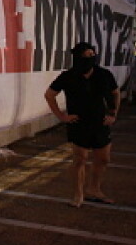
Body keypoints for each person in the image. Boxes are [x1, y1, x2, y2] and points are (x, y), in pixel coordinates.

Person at [44, 42, 120, 208]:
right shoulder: (68, 76)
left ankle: (94, 189)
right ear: (77, 58)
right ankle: (78, 194)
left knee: (103, 158)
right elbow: (49, 95)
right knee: (80, 159)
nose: (89, 59)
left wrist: (113, 114)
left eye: (92, 55)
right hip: (78, 122)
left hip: (100, 122)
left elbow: (115, 93)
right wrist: (62, 116)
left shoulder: (104, 74)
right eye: (85, 56)